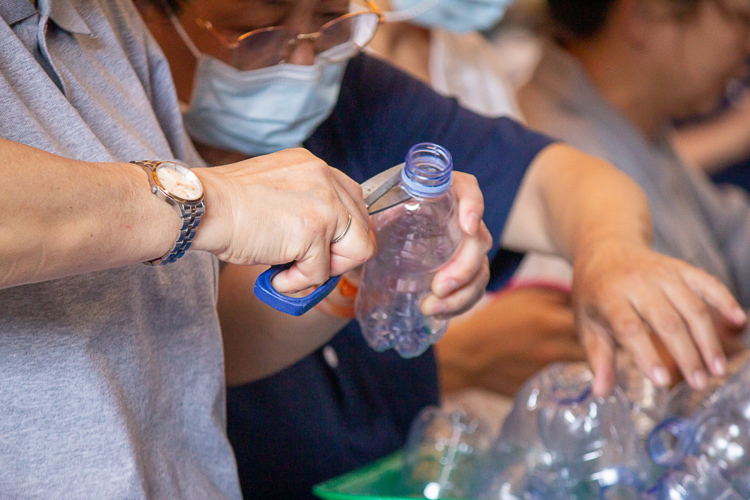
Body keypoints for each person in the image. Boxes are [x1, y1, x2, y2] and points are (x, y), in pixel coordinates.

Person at [138, 1, 747, 498]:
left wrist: (607, 250)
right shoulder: (121, 159)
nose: (302, 59)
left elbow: (554, 177)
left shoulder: (355, 96)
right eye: (255, 31)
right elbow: (210, 338)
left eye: (330, 21)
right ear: (139, 17)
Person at [0, 0, 511, 497]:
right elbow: (185, 212)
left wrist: (365, 261)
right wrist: (204, 199)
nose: (301, 58)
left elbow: (188, 328)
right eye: (259, 27)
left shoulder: (97, 18)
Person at [516, 0, 750, 384]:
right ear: (646, 15)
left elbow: (732, 234)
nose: (746, 46)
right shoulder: (562, 146)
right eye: (739, 19)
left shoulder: (637, 123)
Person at [369, 0, 586, 397]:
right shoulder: (321, 86)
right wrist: (456, 358)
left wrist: (607, 252)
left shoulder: (469, 55)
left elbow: (540, 178)